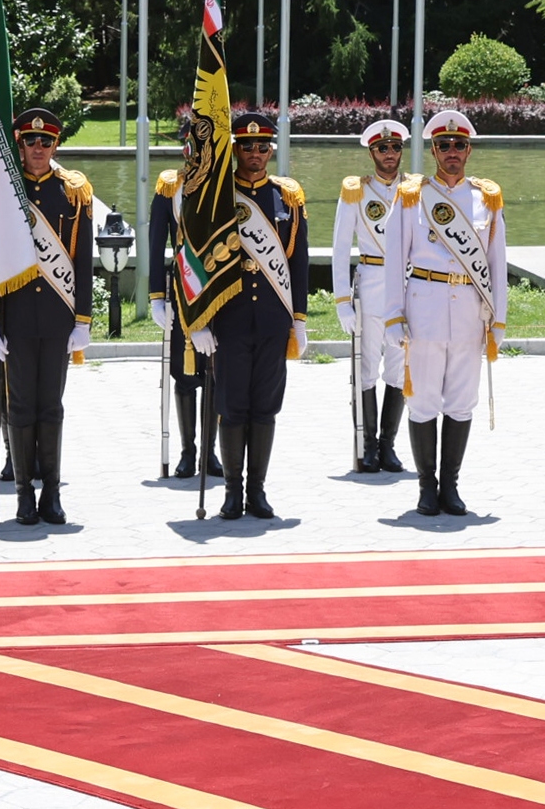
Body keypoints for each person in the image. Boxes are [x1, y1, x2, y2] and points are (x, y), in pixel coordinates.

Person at [178, 109, 312, 519]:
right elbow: (191, 256)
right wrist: (198, 319)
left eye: (262, 146)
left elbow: (299, 262)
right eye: (247, 146)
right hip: (229, 319)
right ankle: (232, 493)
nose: (255, 152)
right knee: (233, 405)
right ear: (235, 149)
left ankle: (258, 491)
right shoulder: (216, 197)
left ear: (271, 150)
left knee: (266, 406)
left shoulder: (286, 197)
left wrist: (300, 320)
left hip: (272, 319)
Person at [0, 109, 94, 526]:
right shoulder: (4, 191)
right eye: (30, 142)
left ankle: (52, 494)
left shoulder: (73, 191)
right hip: (17, 317)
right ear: (19, 145)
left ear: (56, 146)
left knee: (52, 407)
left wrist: (83, 318)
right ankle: (23, 494)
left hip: (58, 316)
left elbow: (82, 258)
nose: (38, 149)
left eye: (46, 142)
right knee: (21, 407)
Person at [397, 106, 497, 517]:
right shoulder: (412, 197)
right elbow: (392, 260)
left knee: (461, 401)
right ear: (433, 150)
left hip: (470, 312)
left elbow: (496, 261)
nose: (451, 151)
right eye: (443, 145)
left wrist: (498, 318)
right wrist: (392, 315)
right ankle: (426, 488)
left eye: (459, 144)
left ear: (469, 150)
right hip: (424, 309)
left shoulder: (485, 198)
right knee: (422, 401)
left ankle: (450, 487)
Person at [333, 117, 417, 475]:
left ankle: (388, 445)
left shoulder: (416, 189)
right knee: (366, 366)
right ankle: (367, 446)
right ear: (372, 152)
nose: (390, 154)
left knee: (398, 366)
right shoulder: (356, 190)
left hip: (407, 284)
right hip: (370, 281)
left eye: (396, 147)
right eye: (383, 148)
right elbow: (339, 247)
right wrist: (341, 300)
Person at [145, 103, 221, 484]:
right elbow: (156, 240)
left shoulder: (225, 184)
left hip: (221, 290)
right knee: (184, 372)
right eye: (192, 140)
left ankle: (211, 452)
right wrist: (156, 295)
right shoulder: (170, 185)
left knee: (217, 373)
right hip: (183, 288)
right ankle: (188, 451)